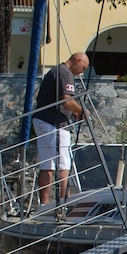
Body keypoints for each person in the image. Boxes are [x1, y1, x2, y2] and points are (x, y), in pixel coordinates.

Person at [33, 52, 90, 211]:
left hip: (41, 120)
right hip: (55, 124)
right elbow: (67, 100)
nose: (81, 72)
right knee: (64, 163)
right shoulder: (65, 73)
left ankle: (43, 205)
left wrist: (73, 111)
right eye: (82, 67)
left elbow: (55, 99)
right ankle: (63, 204)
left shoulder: (54, 71)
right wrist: (82, 110)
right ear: (77, 60)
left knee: (47, 165)